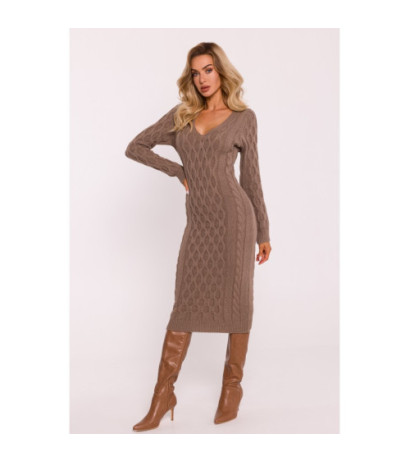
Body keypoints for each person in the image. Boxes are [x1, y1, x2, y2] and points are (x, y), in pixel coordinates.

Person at [125, 42, 271, 432]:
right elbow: (135, 147)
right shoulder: (182, 116)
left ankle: (231, 389)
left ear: (221, 71)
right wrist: (176, 171)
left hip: (237, 220)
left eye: (208, 70)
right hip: (199, 223)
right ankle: (162, 396)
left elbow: (251, 179)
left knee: (238, 301)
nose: (202, 78)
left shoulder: (244, 118)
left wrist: (263, 231)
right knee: (184, 305)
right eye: (195, 72)